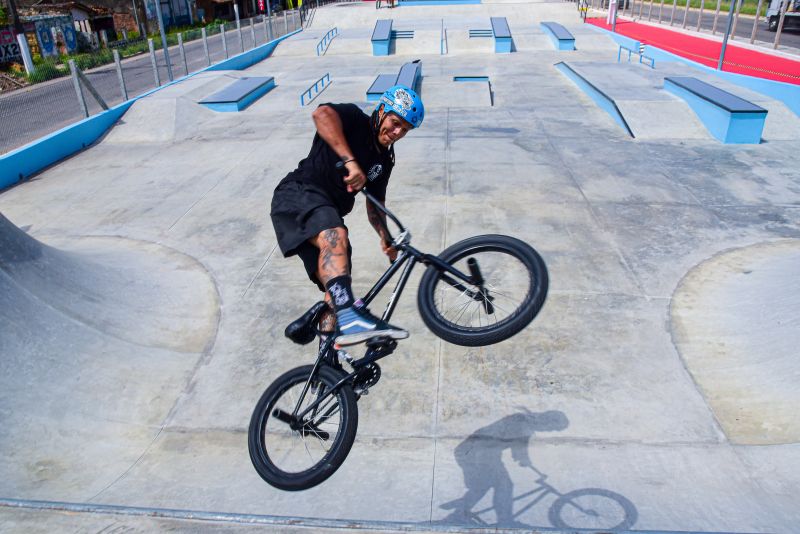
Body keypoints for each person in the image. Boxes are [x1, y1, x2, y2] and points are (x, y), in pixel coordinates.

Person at [270, 85, 424, 346]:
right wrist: (350, 161)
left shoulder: (384, 161)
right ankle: (352, 318)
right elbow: (321, 114)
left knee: (338, 289)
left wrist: (385, 238)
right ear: (382, 110)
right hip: (299, 194)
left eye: (405, 130)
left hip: (325, 214)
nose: (397, 133)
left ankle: (327, 355)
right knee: (336, 236)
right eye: (396, 123)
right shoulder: (354, 120)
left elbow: (375, 205)